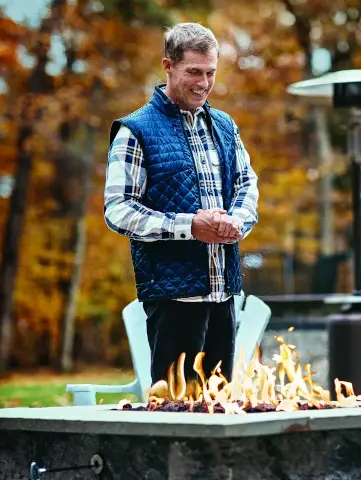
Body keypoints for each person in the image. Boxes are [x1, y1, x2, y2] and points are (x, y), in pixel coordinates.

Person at [103, 23, 259, 384]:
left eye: (210, 73)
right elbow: (118, 209)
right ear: (168, 66)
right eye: (193, 72)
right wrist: (189, 226)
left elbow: (247, 183)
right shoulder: (136, 129)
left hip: (223, 294)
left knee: (221, 411)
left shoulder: (224, 125)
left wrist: (236, 220)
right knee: (175, 412)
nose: (203, 82)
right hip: (172, 300)